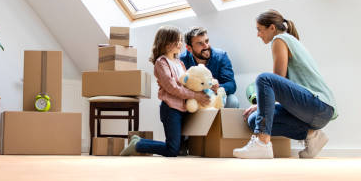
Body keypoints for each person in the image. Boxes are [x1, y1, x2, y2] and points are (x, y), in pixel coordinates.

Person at [233, 10, 338, 159]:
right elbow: (282, 87)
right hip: (315, 110)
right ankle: (312, 136)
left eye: (259, 30)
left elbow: (276, 80)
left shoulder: (280, 39)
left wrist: (262, 102)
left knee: (264, 79)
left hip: (318, 106)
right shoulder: (291, 40)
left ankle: (262, 143)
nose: (258, 34)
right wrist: (260, 106)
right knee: (253, 119)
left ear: (272, 28)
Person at [120, 26, 211, 157]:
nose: (180, 44)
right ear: (166, 43)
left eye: (180, 40)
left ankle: (139, 142)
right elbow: (172, 88)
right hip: (171, 109)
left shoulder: (179, 63)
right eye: (177, 40)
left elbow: (188, 83)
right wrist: (196, 96)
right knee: (172, 150)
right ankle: (138, 144)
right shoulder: (161, 63)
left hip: (184, 108)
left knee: (178, 147)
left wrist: (205, 87)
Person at [180, 27, 239, 108]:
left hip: (215, 97)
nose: (206, 46)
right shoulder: (182, 60)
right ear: (189, 48)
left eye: (207, 41)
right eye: (200, 43)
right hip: (193, 99)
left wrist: (219, 87)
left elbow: (231, 84)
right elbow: (179, 86)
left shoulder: (221, 56)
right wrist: (196, 95)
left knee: (233, 100)